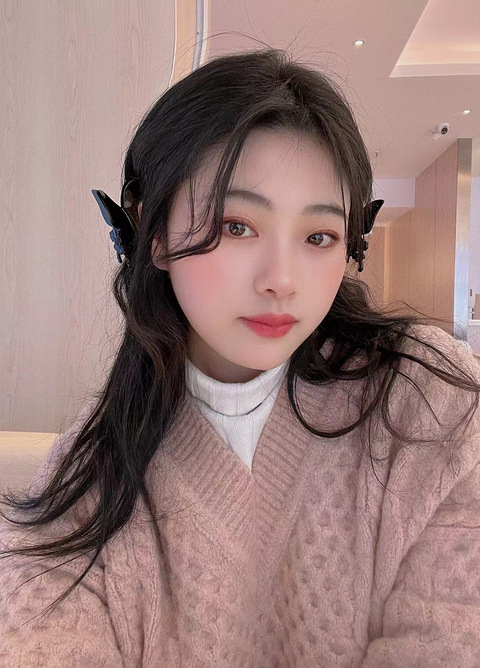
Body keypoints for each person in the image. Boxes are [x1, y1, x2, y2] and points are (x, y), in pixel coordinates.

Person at [1, 47, 480, 667]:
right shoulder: (88, 485)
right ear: (153, 234)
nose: (282, 280)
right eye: (236, 226)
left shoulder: (432, 407)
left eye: (318, 237)